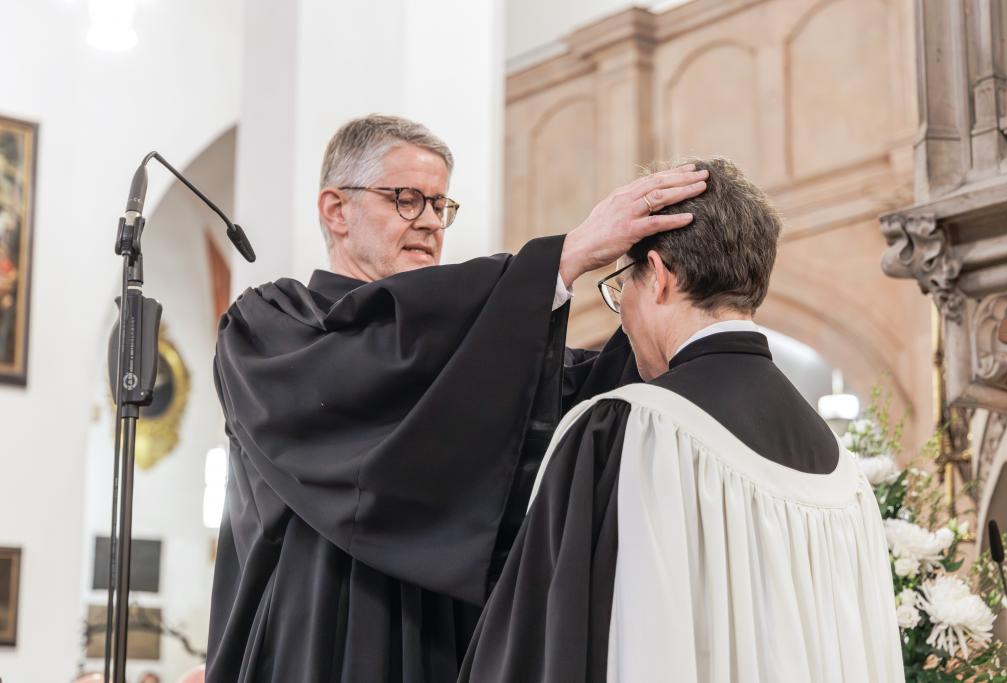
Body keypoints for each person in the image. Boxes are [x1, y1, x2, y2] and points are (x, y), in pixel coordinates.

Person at [205, 114, 708, 682]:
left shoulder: (481, 351)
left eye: (440, 205)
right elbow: (369, 376)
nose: (429, 223)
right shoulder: (270, 327)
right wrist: (563, 258)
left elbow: (576, 412)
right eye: (406, 199)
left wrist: (662, 294)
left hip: (448, 642)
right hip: (316, 638)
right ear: (335, 209)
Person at [458, 157, 904, 683]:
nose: (621, 309)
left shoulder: (622, 428)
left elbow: (544, 645)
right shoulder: (844, 474)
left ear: (661, 277)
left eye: (623, 285)